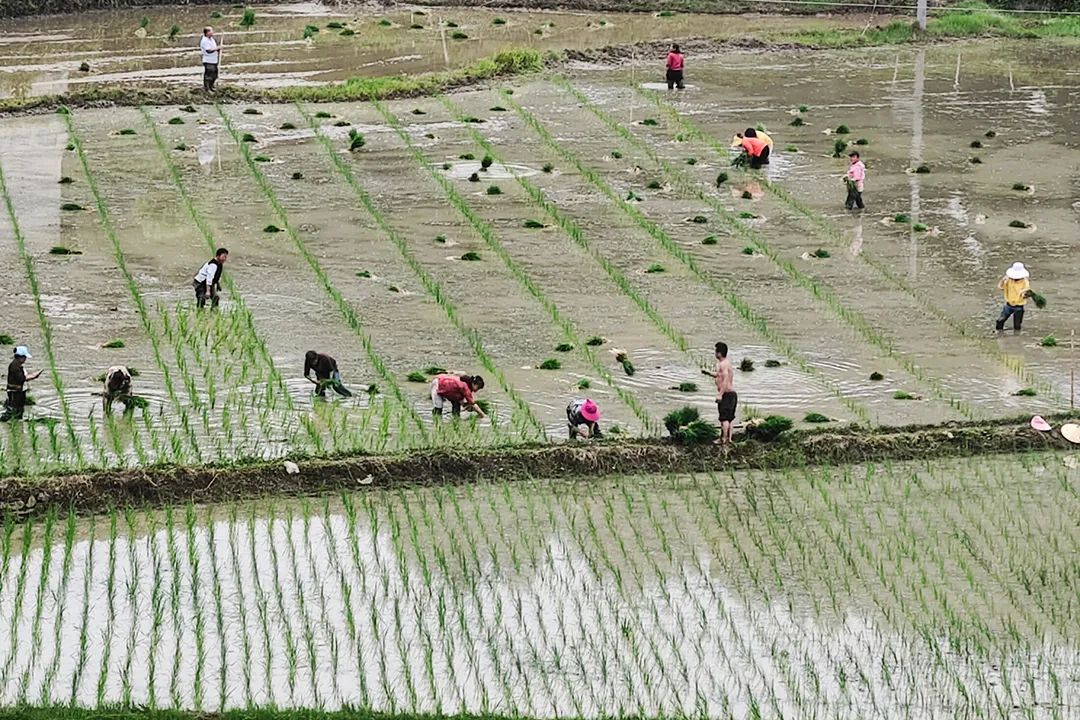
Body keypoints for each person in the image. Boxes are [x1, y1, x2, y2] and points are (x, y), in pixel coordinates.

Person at [701, 341, 736, 445]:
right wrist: (708, 373)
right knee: (729, 418)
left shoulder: (722, 364)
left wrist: (720, 394)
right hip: (732, 394)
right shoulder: (727, 363)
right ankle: (729, 439)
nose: (715, 354)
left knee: (724, 419)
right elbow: (720, 375)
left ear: (719, 353)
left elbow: (725, 379)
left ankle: (723, 439)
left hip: (726, 394)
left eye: (715, 351)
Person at [2, 347, 41, 422]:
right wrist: (33, 376)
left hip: (18, 391)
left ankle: (17, 425)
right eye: (25, 357)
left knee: (18, 410)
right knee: (13, 410)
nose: (25, 359)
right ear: (21, 357)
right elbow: (22, 378)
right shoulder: (15, 366)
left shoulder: (17, 365)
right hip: (15, 392)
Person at [995, 262, 1031, 332]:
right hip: (1008, 305)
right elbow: (1000, 287)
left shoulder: (1025, 281)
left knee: (1017, 325)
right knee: (1000, 320)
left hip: (1019, 307)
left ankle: (1016, 338)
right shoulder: (1008, 280)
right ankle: (999, 333)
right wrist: (1002, 280)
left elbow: (1027, 291)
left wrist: (1024, 293)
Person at [200, 27, 221, 93]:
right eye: (211, 31)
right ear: (207, 32)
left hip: (214, 60)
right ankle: (207, 88)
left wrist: (218, 50)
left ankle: (212, 86)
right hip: (208, 60)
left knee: (215, 74)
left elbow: (214, 48)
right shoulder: (204, 41)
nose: (213, 32)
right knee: (209, 75)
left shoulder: (212, 39)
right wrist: (217, 48)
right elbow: (208, 50)